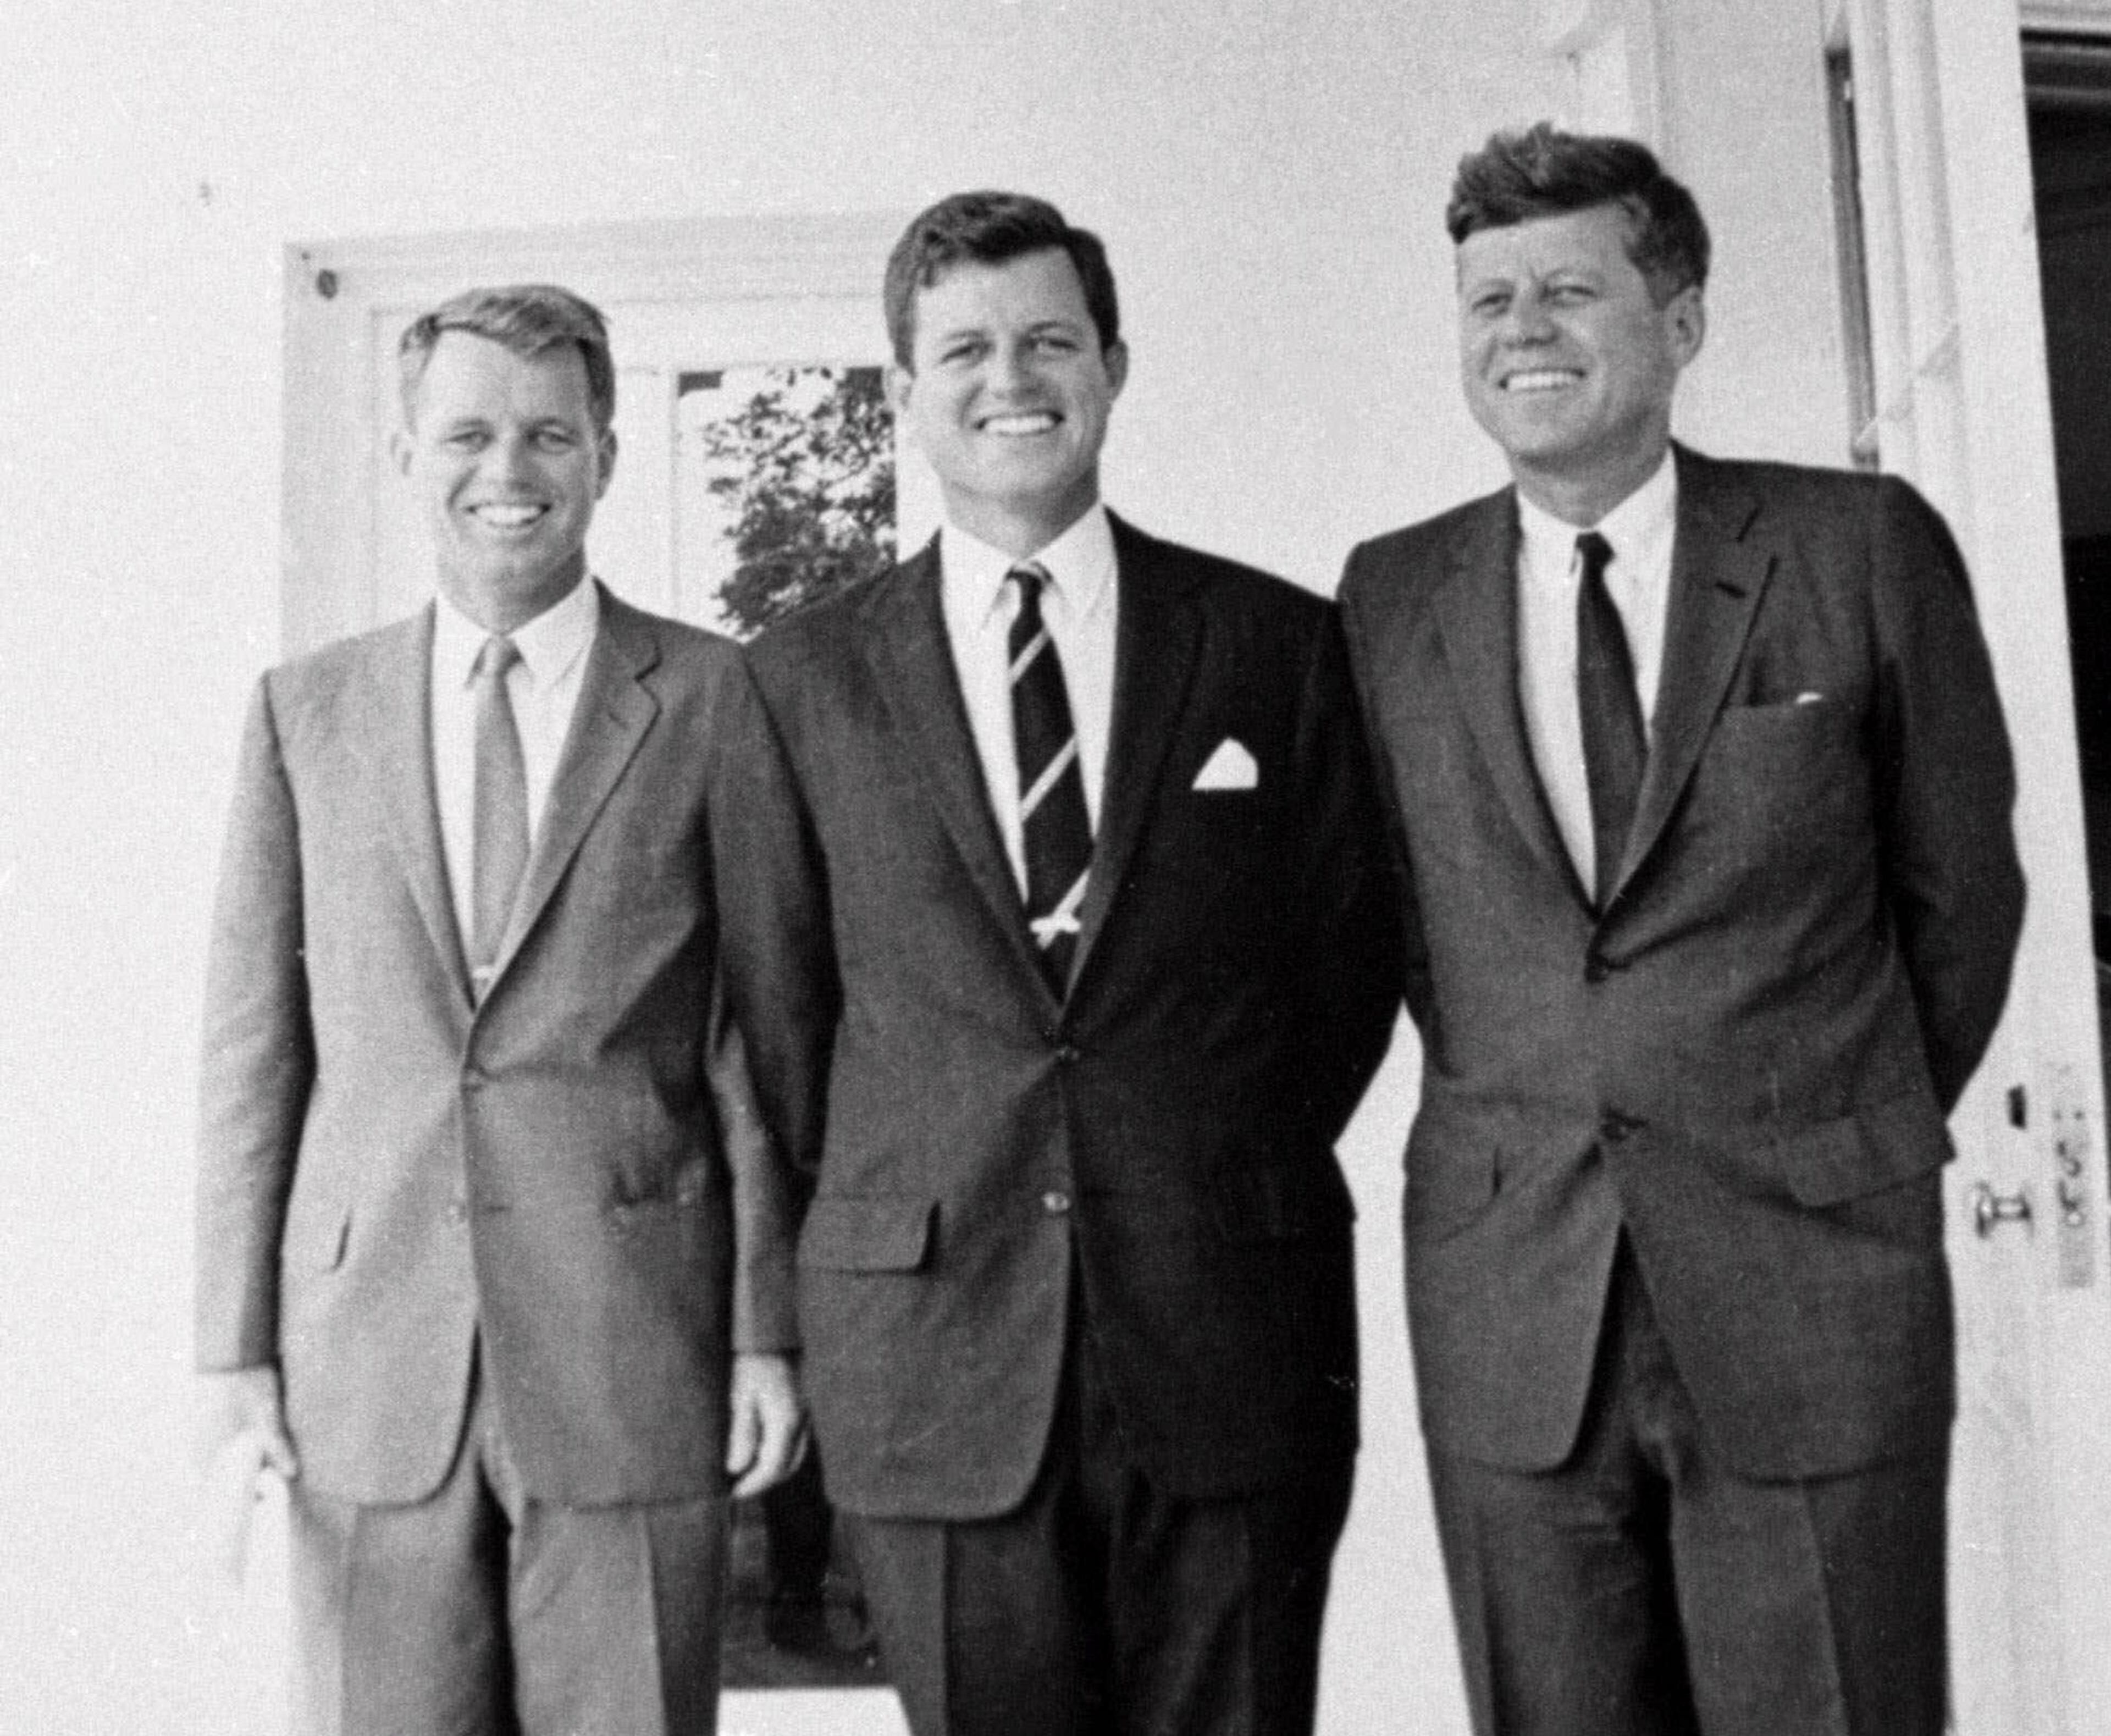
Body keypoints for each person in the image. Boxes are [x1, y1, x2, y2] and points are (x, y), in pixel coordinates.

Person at [1338, 123, 2026, 1736]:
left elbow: (1961, 901)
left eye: (1569, 290)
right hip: (1517, 1301)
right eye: (1489, 298)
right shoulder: (1389, 596)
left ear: (1683, 320)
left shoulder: (1857, 548)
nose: (1522, 329)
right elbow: (1404, 931)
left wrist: (1824, 1125)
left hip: (1812, 1281)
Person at [713, 191, 1400, 1736]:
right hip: (935, 1354)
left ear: (1113, 365)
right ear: (906, 392)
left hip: (1233, 1335)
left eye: (1048, 340)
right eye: (963, 349)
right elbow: (784, 1020)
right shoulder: (796, 685)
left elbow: (1346, 970)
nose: (1009, 378)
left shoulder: (1275, 645)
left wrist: (1195, 1149)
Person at [194, 283, 804, 1736]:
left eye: (549, 433)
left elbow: (759, 1043)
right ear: (408, 455)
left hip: (631, 1348)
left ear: (606, 454)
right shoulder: (305, 713)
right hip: (364, 1363)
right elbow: (251, 1057)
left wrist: (765, 1331)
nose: (508, 470)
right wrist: (232, 1353)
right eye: (467, 434)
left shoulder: (715, 698)